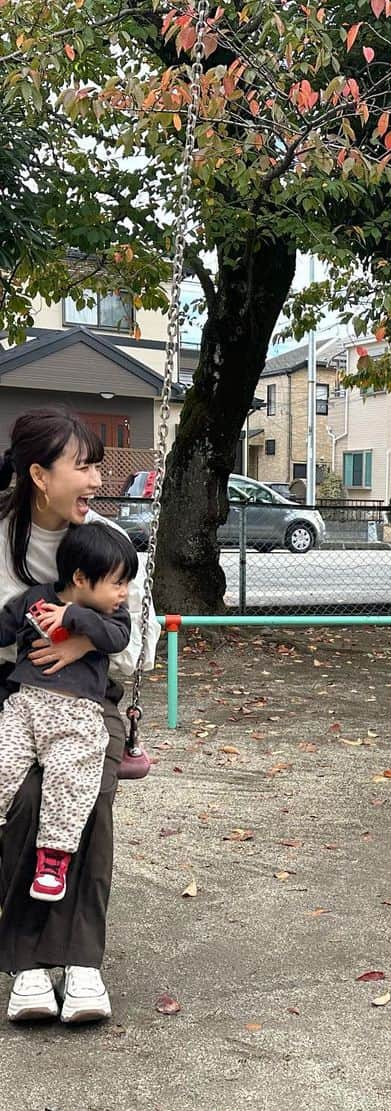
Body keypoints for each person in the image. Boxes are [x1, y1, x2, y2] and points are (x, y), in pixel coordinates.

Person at [0, 410, 158, 1026]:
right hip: (14, 694)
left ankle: (81, 962)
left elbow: (138, 645)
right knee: (24, 791)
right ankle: (33, 966)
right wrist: (36, 641)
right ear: (40, 475)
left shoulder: (108, 541)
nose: (98, 479)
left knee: (86, 790)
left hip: (94, 698)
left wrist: (84, 640)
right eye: (85, 465)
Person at [0, 521, 137, 904]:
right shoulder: (35, 601)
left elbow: (118, 641)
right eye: (117, 583)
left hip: (75, 718)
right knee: (4, 762)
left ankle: (53, 859)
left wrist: (71, 618)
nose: (124, 593)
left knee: (68, 781)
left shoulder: (112, 619)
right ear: (80, 576)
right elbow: (5, 629)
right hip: (26, 706)